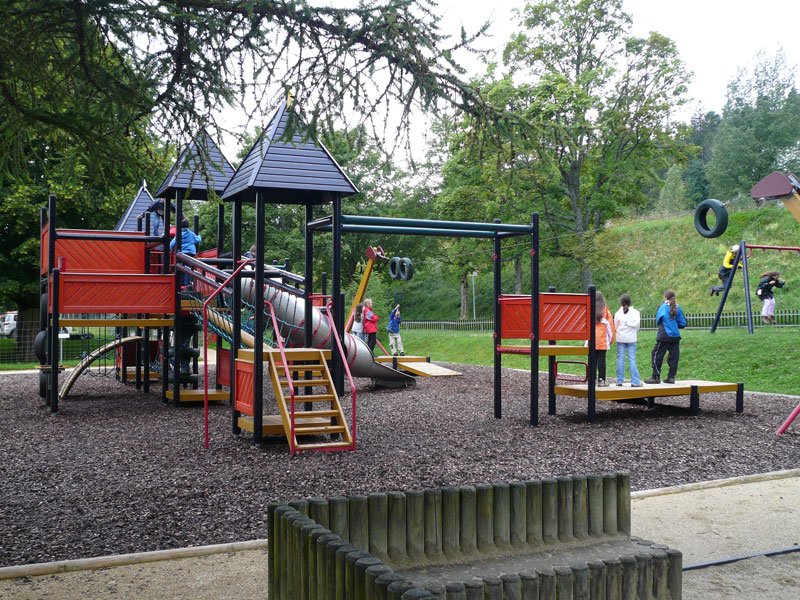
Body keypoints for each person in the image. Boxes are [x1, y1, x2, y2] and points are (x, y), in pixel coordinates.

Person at [645, 289, 687, 384]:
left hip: (664, 334)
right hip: (675, 335)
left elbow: (658, 320)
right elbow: (683, 323)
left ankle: (655, 376)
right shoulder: (678, 307)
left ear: (665, 297)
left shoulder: (663, 307)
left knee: (656, 354)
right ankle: (671, 377)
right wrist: (674, 325)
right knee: (674, 357)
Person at [614, 294, 642, 387]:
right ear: (630, 302)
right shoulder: (636, 313)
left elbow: (616, 326)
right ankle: (635, 381)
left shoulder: (618, 313)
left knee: (620, 358)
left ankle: (619, 380)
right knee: (632, 358)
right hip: (632, 338)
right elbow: (637, 326)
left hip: (621, 338)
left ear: (621, 303)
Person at [169, 218, 202, 287]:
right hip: (190, 253)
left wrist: (173, 250)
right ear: (188, 226)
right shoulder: (191, 234)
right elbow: (198, 240)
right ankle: (187, 284)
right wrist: (199, 236)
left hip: (181, 254)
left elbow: (172, 244)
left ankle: (180, 284)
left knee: (180, 268)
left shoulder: (178, 235)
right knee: (188, 268)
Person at [593, 291, 615, 387]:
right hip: (602, 340)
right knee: (601, 360)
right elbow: (610, 327)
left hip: (591, 340)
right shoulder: (605, 311)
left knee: (592, 360)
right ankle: (601, 379)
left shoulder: (590, 310)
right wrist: (611, 340)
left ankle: (592, 379)